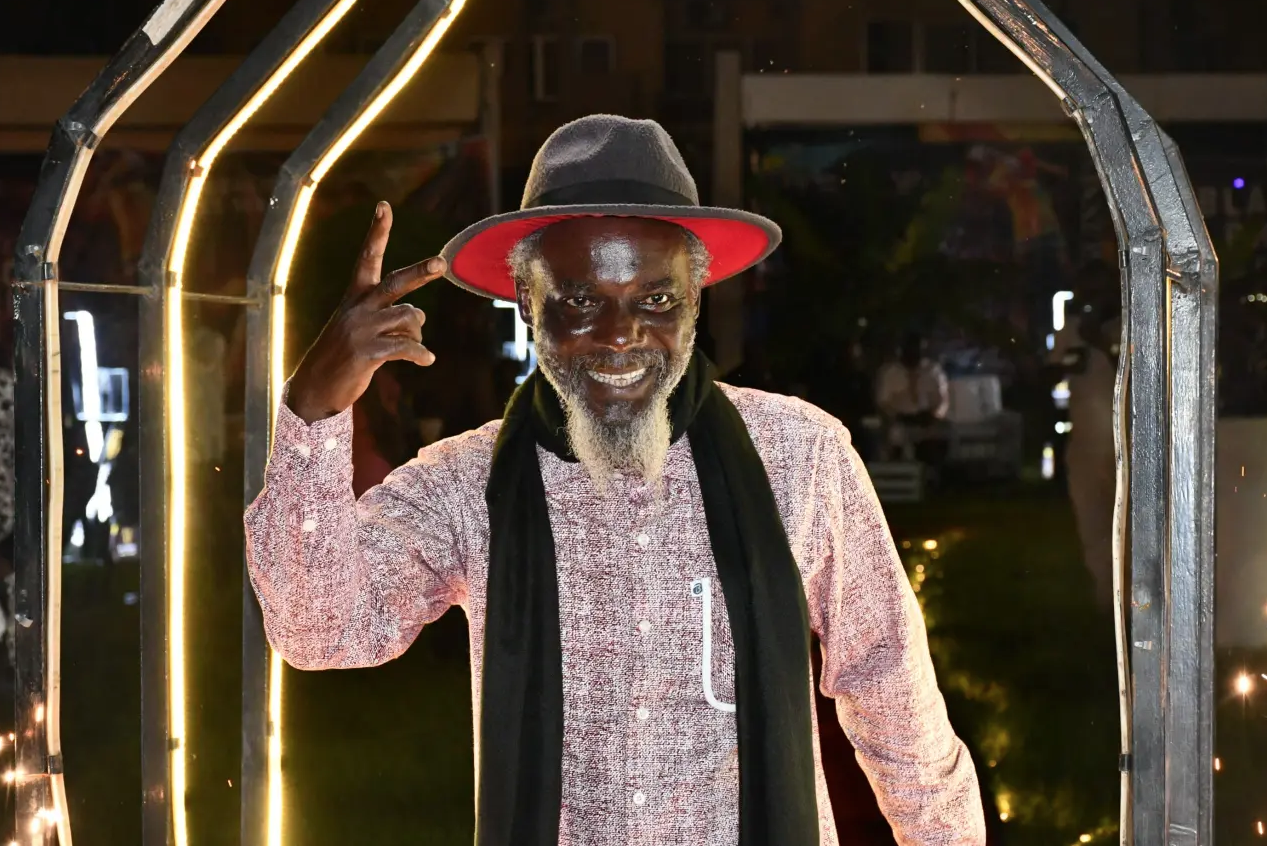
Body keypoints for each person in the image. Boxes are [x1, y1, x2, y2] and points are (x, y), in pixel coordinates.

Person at [245, 115, 984, 845]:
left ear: (695, 297)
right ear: (527, 301)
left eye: (655, 300)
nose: (620, 335)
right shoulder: (467, 484)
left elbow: (888, 683)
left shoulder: (799, 456)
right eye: (580, 301)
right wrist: (314, 410)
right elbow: (322, 631)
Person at [1049, 262, 1120, 611]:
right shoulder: (1072, 327)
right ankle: (1105, 595)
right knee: (1091, 514)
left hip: (1125, 441)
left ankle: (1135, 596)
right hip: (1085, 438)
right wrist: (1067, 363)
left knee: (1127, 517)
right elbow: (1052, 370)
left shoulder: (1129, 324)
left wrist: (1102, 343)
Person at [875, 332, 950, 464]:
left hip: (927, 421)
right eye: (910, 350)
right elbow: (883, 402)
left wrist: (934, 416)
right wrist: (895, 417)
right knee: (894, 437)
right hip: (900, 422)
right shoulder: (890, 373)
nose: (913, 353)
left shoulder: (933, 371)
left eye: (917, 350)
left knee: (942, 437)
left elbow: (942, 401)